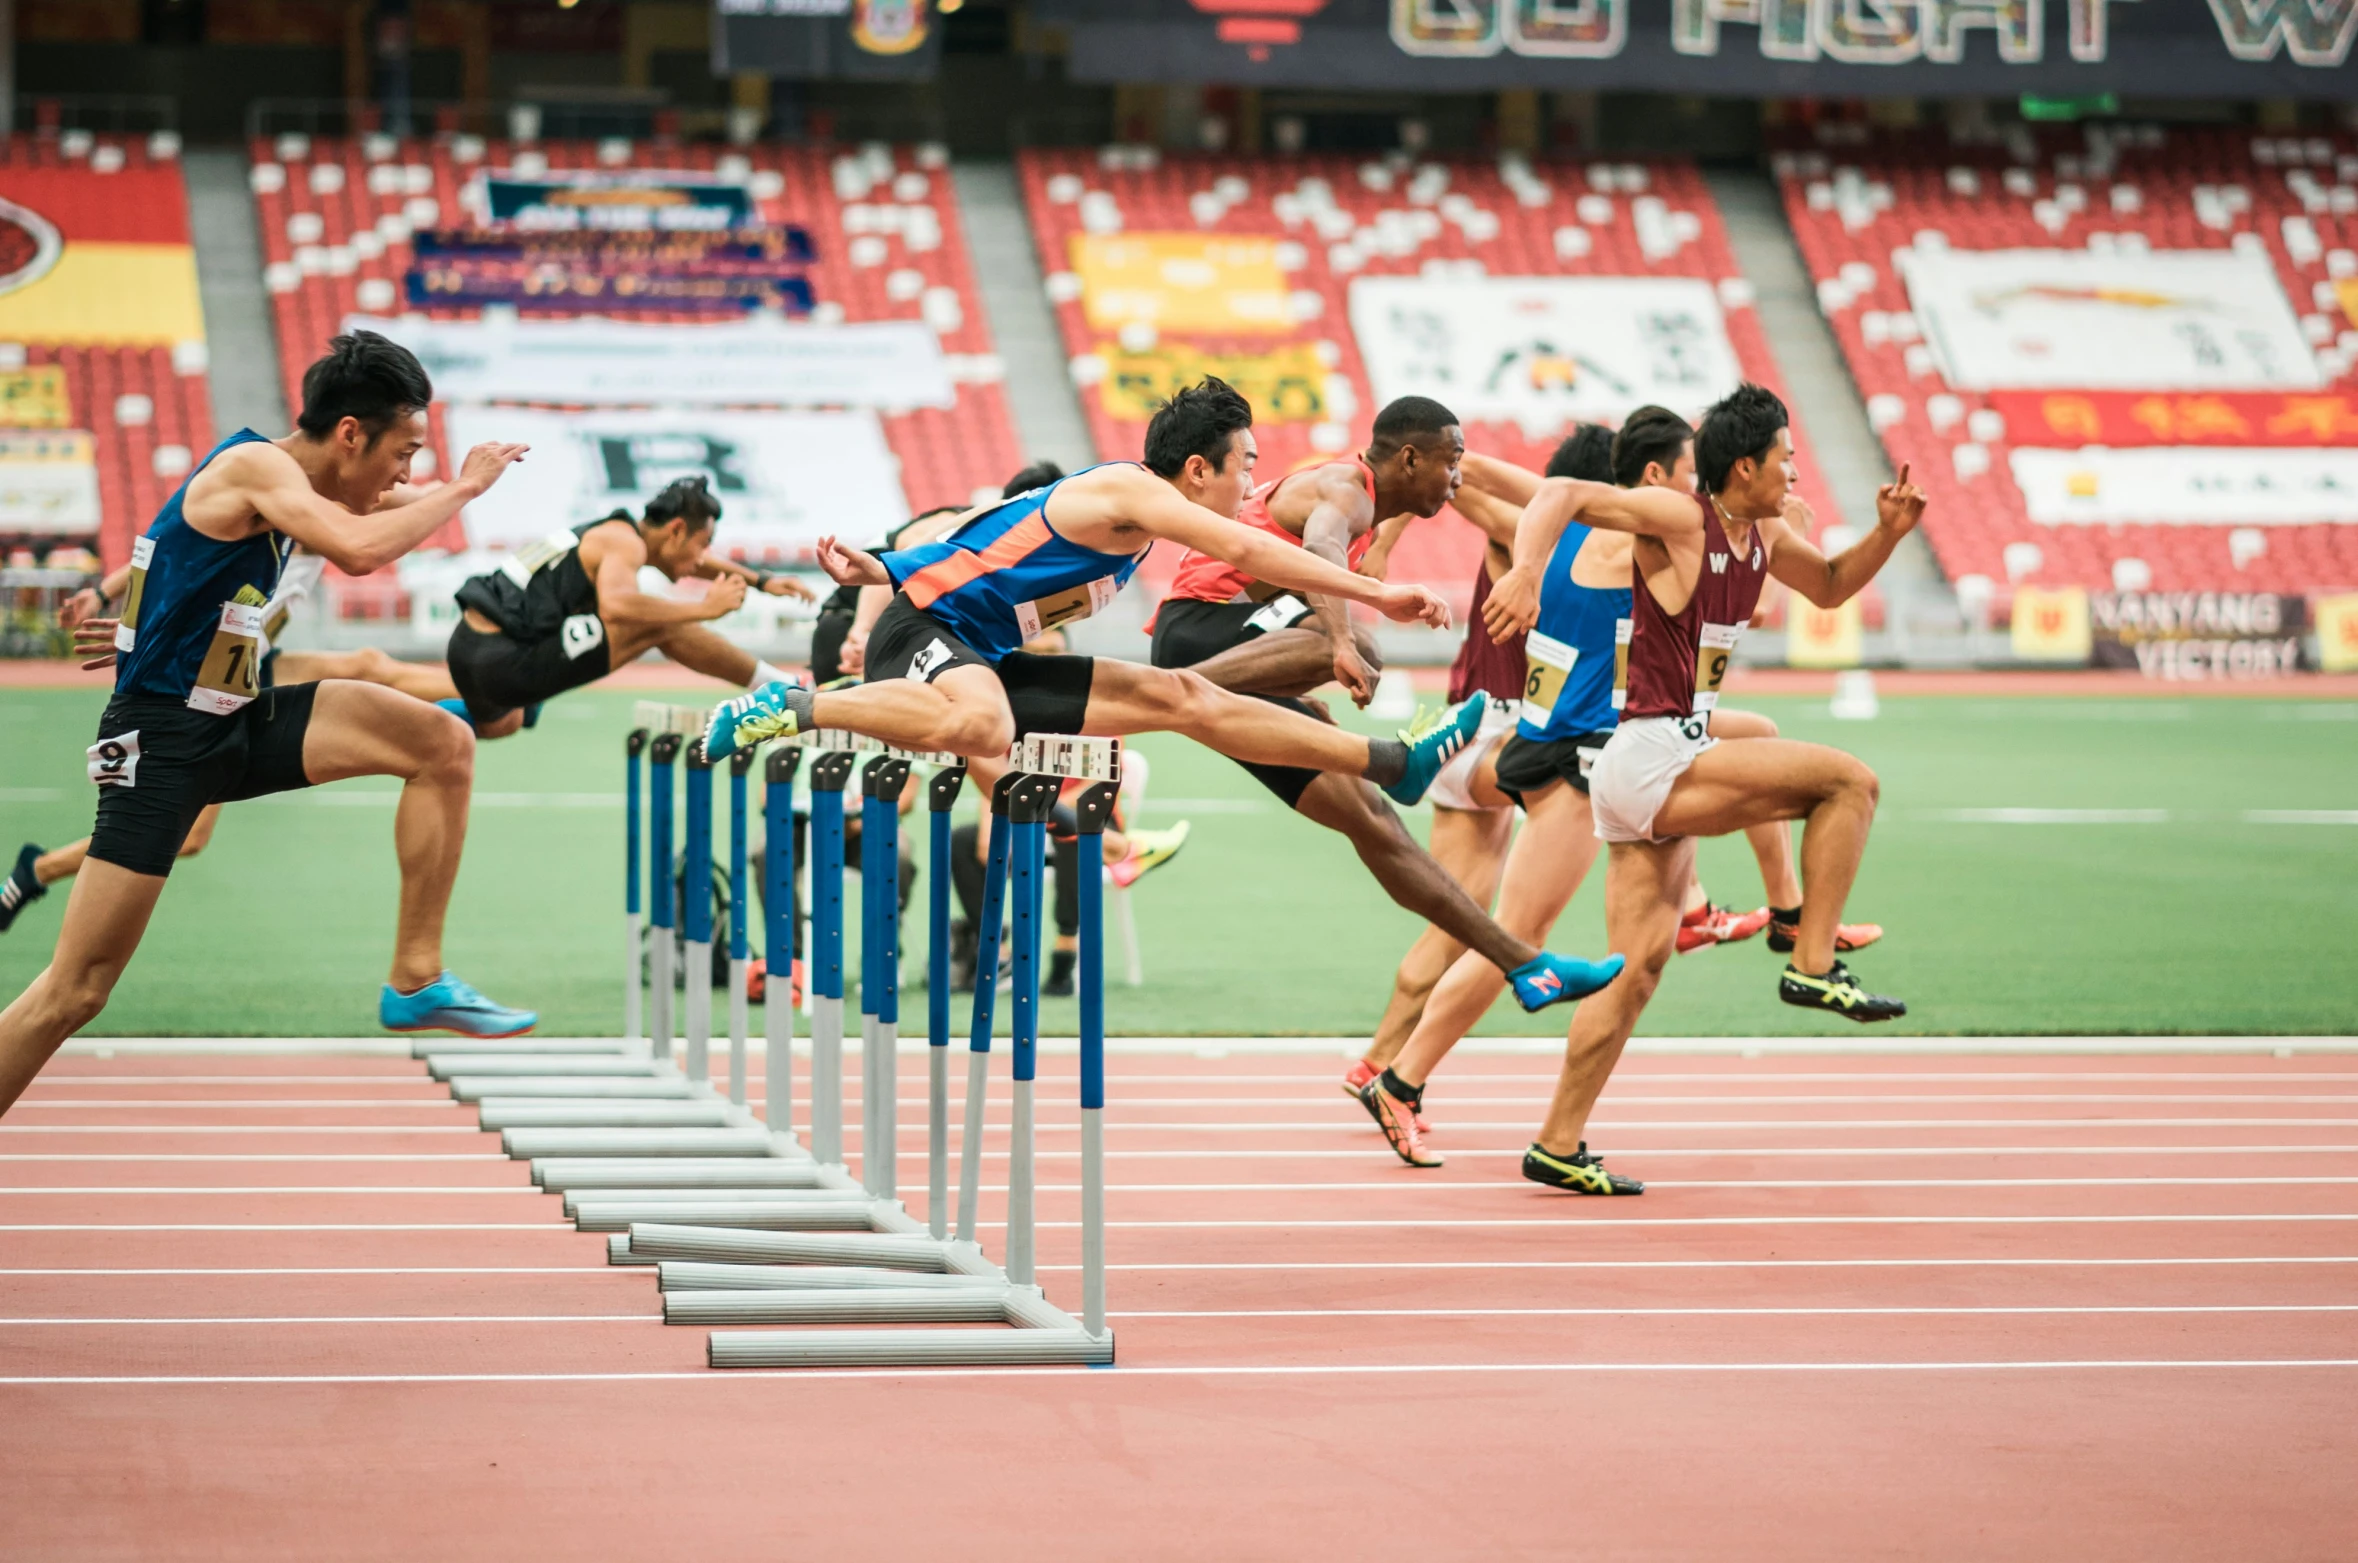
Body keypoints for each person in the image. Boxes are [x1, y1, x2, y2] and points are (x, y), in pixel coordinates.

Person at [709, 378, 1624, 1012]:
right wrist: (1372, 598)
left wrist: (886, 558)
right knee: (993, 717)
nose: (1253, 477)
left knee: (1191, 704)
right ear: (1197, 470)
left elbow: (983, 531)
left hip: (988, 648)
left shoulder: (1134, 515)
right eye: (1244, 462)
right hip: (930, 643)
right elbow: (1261, 552)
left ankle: (1426, 806)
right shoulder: (1132, 493)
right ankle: (789, 706)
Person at [0, 330, 538, 1113]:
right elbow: (357, 550)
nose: (406, 473)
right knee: (75, 991)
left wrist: (125, 611)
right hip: (166, 741)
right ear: (349, 432)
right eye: (403, 450)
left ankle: (416, 979)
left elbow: (181, 542)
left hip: (238, 716)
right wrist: (463, 492)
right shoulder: (258, 467)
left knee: (442, 741)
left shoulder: (300, 478)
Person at [1356, 410, 1872, 1167]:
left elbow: (1477, 482)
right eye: (1691, 478)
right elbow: (1735, 596)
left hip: (1561, 738)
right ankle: (1397, 1078)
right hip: (1575, 751)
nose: (1702, 496)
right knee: (1517, 937)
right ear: (1652, 480)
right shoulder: (1640, 540)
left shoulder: (1558, 523)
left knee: (1754, 737)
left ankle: (1755, 912)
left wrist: (1396, 530)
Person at [1470, 385, 1921, 1194]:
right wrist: (1527, 573)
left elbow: (1826, 585)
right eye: (1785, 456)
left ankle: (1556, 1143)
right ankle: (1807, 954)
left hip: (1653, 758)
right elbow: (1566, 491)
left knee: (1634, 971)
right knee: (1849, 782)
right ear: (1743, 465)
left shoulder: (1762, 533)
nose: (1794, 471)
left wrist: (1887, 534)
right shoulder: (1684, 517)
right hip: (1650, 752)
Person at [1140, 394, 1577, 1038]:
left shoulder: (1377, 503)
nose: (1458, 478)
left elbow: (1356, 536)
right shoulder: (1347, 486)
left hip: (1240, 648)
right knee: (1358, 642)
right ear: (1408, 458)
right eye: (1452, 463)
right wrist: (1337, 643)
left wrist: (1300, 674)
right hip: (1199, 629)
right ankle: (1143, 699)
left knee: (1375, 822)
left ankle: (1524, 964)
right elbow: (1320, 545)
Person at [446, 475, 812, 737]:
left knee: (502, 723)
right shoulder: (625, 544)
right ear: (676, 530)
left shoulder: (615, 534)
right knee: (656, 621)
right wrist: (705, 609)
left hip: (470, 648)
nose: (703, 558)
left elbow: (690, 560)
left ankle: (411, 719)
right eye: (703, 543)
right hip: (500, 661)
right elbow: (617, 607)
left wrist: (761, 581)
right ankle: (787, 689)